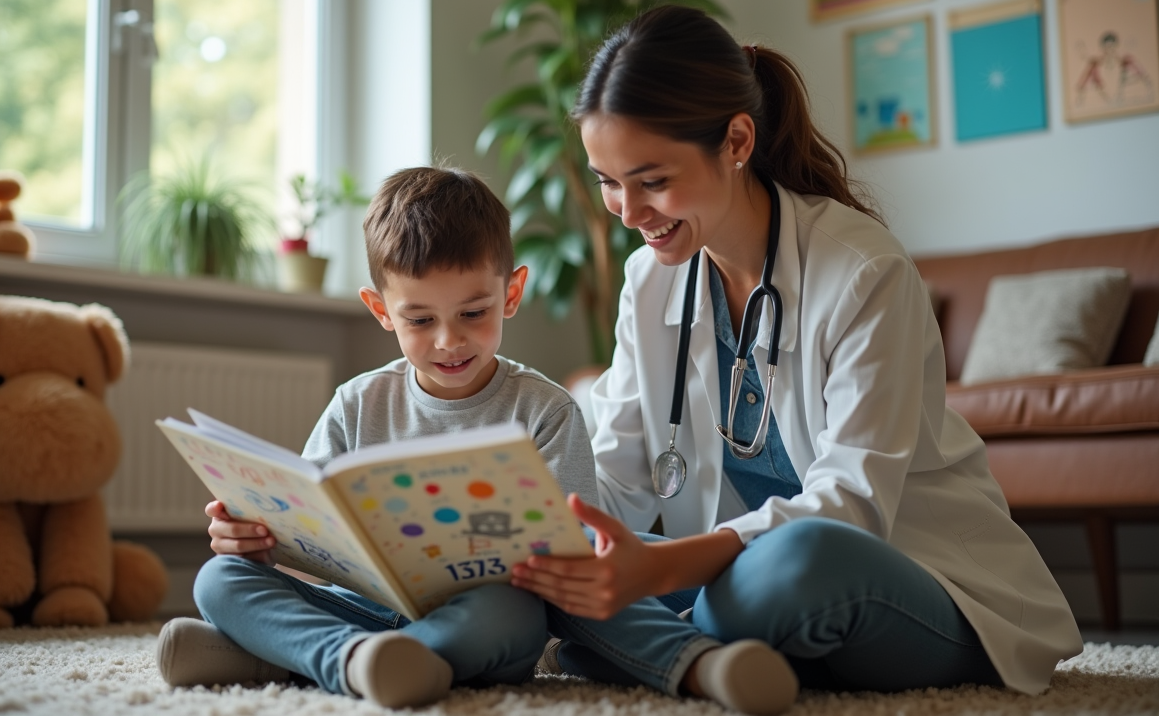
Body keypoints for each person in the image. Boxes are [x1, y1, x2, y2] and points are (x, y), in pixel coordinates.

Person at [509, 5, 1084, 704]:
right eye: (607, 180)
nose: (627, 212)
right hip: (742, 577)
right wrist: (546, 536)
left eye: (652, 180)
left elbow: (852, 504)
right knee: (560, 580)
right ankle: (691, 644)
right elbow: (620, 475)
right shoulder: (651, 277)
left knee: (793, 563)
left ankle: (658, 643)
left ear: (737, 140)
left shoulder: (864, 271)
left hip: (911, 582)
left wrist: (653, 577)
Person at [155, 166, 783, 712]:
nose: (448, 341)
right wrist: (254, 535)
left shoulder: (544, 410)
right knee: (220, 580)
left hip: (487, 614)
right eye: (420, 320)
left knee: (520, 610)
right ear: (381, 311)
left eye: (473, 313)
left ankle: (312, 662)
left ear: (511, 294)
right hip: (365, 608)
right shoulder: (357, 403)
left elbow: (571, 557)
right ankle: (356, 661)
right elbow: (312, 533)